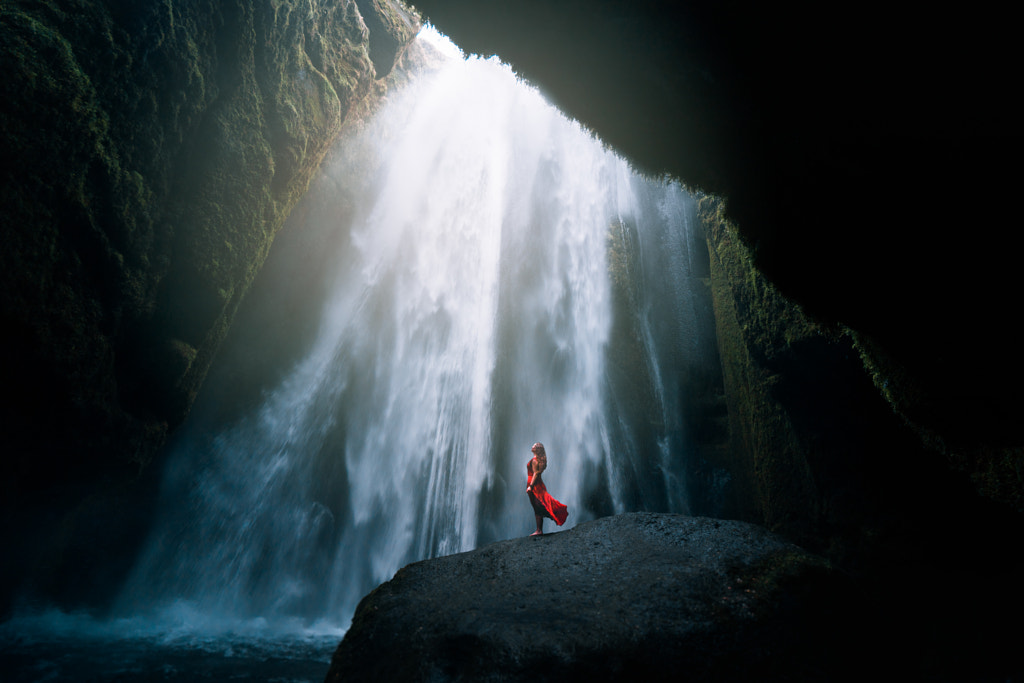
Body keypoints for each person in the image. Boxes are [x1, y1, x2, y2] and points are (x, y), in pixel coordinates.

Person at [526, 442, 568, 535]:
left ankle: (539, 530)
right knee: (541, 503)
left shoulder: (534, 460)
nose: (532, 446)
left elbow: (536, 473)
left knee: (537, 506)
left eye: (534, 445)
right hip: (538, 484)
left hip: (534, 485)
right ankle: (539, 529)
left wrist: (531, 486)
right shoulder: (539, 460)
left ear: (537, 449)